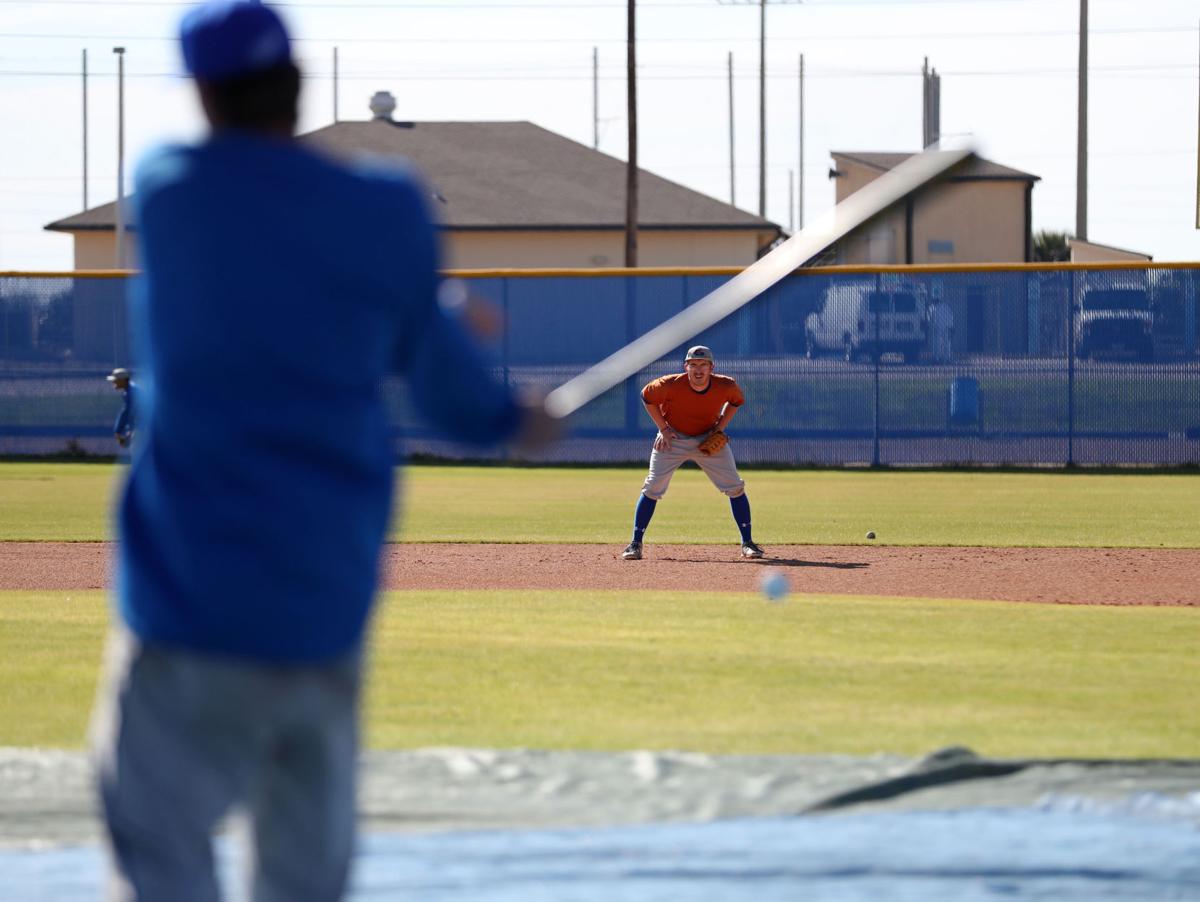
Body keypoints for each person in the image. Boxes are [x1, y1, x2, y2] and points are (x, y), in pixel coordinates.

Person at [89, 3, 556, 900]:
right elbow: (453, 397)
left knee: (160, 861)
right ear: (298, 83)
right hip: (322, 603)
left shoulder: (169, 185)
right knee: (303, 879)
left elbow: (275, 281)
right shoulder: (389, 209)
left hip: (187, 603)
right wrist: (514, 415)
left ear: (204, 94)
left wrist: (412, 307)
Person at [621, 345, 764, 561]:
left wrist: (719, 429)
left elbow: (735, 402)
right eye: (693, 364)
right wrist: (664, 429)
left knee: (735, 487)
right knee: (652, 487)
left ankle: (748, 543)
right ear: (685, 366)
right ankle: (635, 544)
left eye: (703, 365)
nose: (698, 370)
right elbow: (647, 397)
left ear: (711, 367)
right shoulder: (669, 384)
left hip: (708, 439)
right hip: (673, 439)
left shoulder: (725, 385)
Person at [105, 367, 136, 447]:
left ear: (123, 380)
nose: (113, 381)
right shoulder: (129, 390)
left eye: (115, 380)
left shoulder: (131, 393)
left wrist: (118, 430)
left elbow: (126, 412)